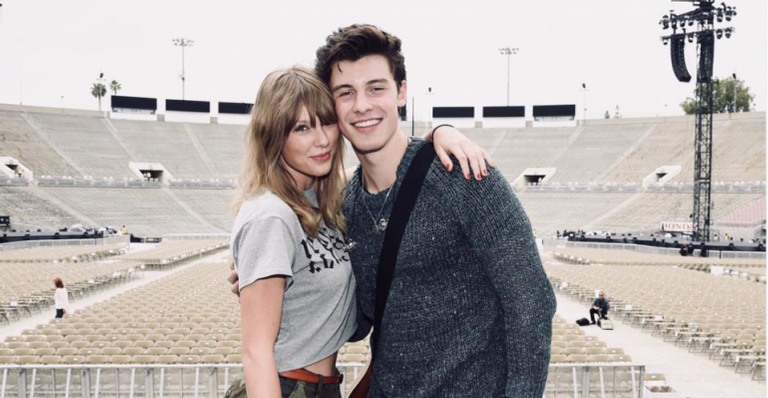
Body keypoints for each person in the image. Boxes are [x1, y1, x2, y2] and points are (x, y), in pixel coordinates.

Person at [316, 24, 554, 398]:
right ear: (332, 105)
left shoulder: (462, 173)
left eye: (376, 88)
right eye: (346, 93)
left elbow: (530, 298)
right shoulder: (345, 204)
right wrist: (283, 282)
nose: (362, 105)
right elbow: (358, 324)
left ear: (402, 93)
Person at [228, 66, 491, 398]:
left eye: (327, 122)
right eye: (302, 127)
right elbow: (256, 353)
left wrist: (440, 131)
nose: (322, 139)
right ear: (273, 136)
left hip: (321, 386)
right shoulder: (270, 215)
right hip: (284, 385)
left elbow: (391, 162)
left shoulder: (321, 199)